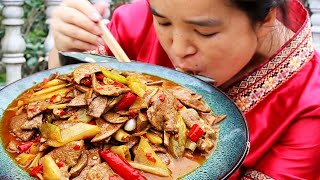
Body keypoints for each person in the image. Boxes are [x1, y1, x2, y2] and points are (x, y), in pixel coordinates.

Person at [50, 0, 320, 179]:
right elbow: (57, 92)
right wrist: (66, 45)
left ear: (266, 20)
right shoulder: (136, 22)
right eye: (164, 23)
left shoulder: (310, 105)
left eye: (204, 33)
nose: (178, 50)